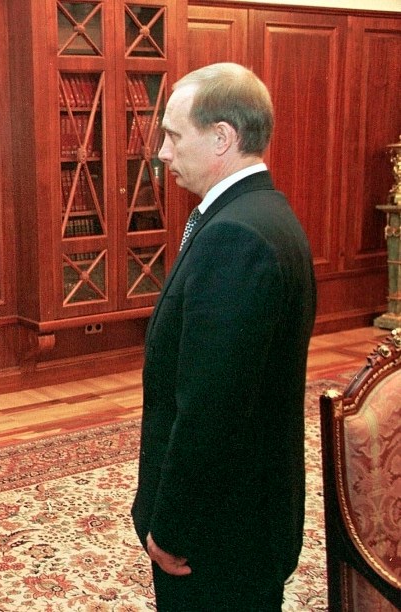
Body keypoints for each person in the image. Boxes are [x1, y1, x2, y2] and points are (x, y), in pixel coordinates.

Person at [131, 62, 317, 611]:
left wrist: (171, 529)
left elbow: (209, 411)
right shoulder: (266, 215)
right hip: (248, 518)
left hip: (217, 537)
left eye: (172, 135)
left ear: (222, 138)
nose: (161, 152)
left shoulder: (235, 237)